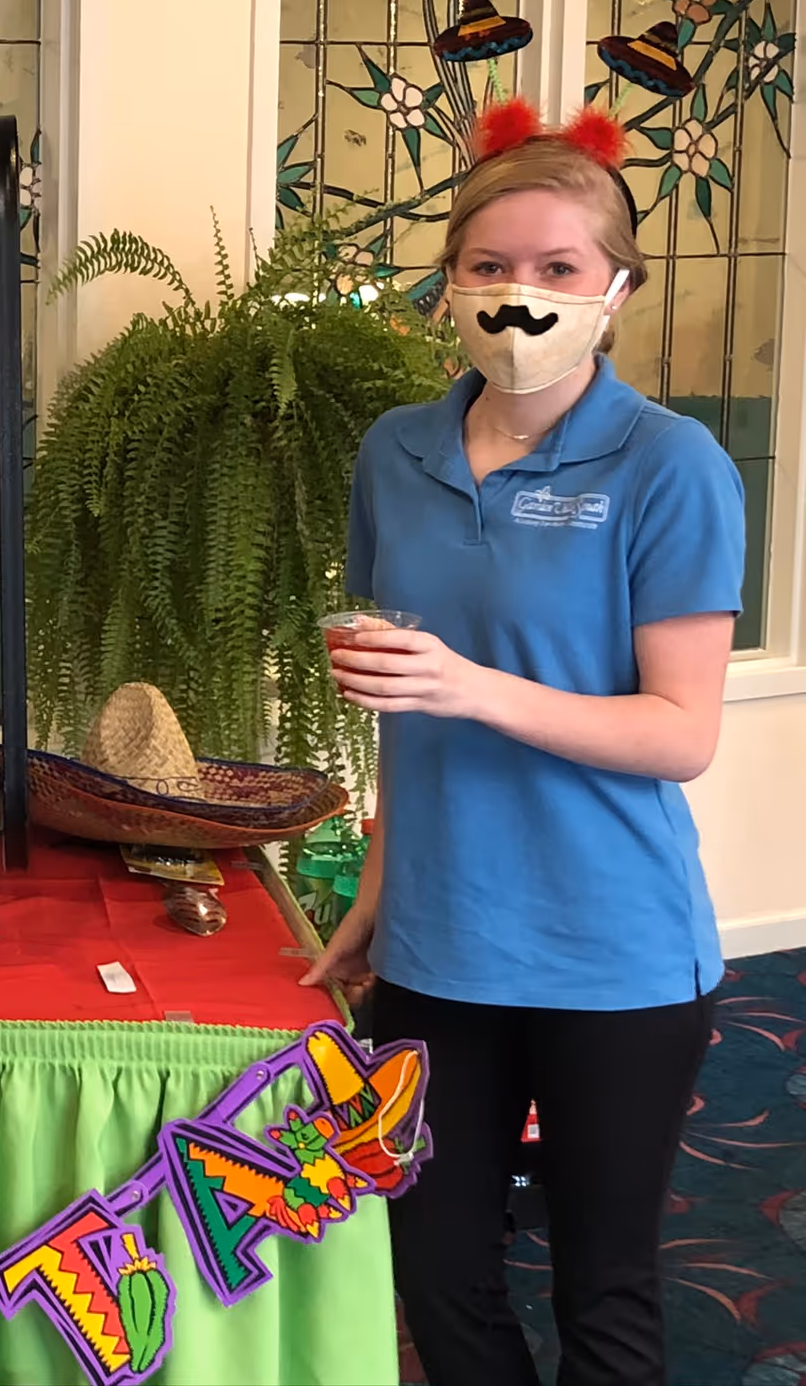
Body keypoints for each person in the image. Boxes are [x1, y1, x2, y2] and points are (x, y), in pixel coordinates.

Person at [301, 104, 744, 1386]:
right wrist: (381, 893)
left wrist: (470, 686)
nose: (519, 296)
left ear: (617, 289)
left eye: (557, 269)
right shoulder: (397, 452)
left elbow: (681, 732)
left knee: (604, 1290)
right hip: (440, 948)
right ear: (448, 285)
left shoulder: (672, 465)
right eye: (490, 266)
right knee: (434, 1271)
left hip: (617, 956)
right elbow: (402, 699)